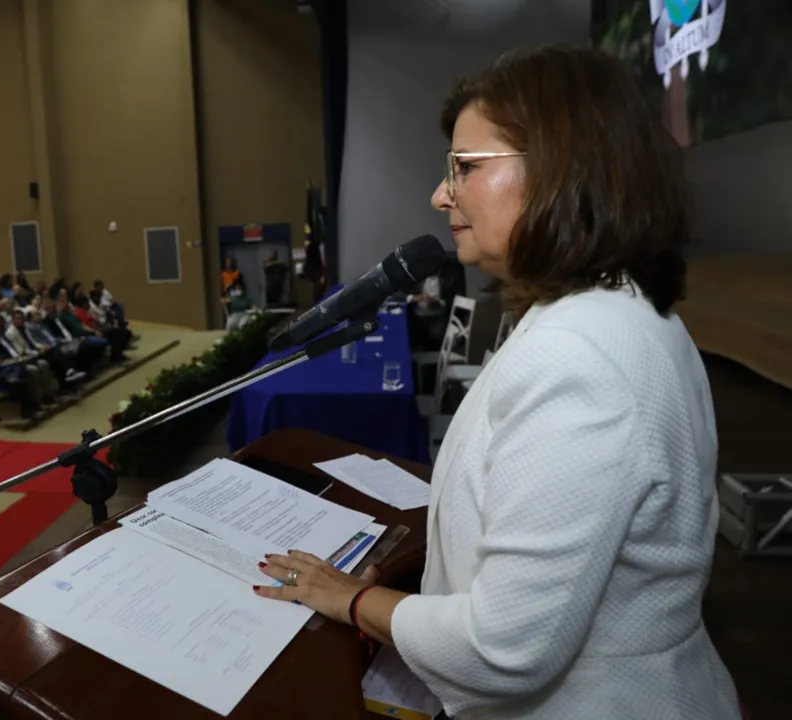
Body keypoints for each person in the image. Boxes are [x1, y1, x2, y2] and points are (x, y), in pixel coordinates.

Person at [252, 46, 740, 720]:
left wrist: (354, 600)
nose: (440, 194)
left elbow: (502, 649)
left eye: (464, 168)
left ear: (559, 174)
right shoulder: (613, 309)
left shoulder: (580, 356)